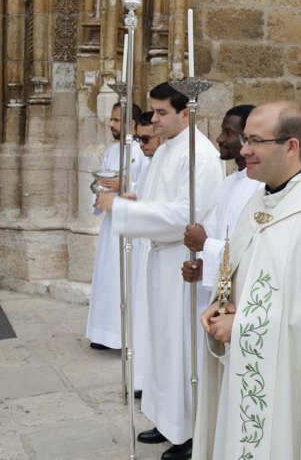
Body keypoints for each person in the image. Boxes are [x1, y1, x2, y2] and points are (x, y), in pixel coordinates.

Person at [192, 101, 301, 460]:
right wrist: (221, 304)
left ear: (290, 146)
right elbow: (241, 270)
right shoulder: (259, 201)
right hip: (246, 369)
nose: (244, 150)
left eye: (255, 140)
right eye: (244, 139)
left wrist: (243, 326)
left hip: (288, 386)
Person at [96, 82, 223, 460]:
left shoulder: (200, 156)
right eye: (153, 112)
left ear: (187, 113)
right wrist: (135, 199)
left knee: (180, 345)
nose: (153, 119)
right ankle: (168, 420)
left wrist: (121, 210)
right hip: (158, 259)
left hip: (180, 261)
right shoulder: (166, 150)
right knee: (160, 342)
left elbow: (186, 215)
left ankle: (188, 430)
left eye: (162, 112)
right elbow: (156, 199)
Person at [181, 104, 261, 327]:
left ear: (247, 139)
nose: (219, 138)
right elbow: (216, 234)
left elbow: (251, 248)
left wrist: (205, 243)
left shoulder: (260, 186)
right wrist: (201, 267)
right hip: (223, 292)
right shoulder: (229, 183)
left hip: (242, 297)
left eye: (228, 132)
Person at [86, 102, 145, 350]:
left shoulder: (142, 151)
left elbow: (143, 186)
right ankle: (104, 334)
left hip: (133, 225)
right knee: (108, 279)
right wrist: (103, 190)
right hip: (111, 224)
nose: (110, 124)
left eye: (115, 120)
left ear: (131, 124)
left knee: (126, 279)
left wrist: (123, 184)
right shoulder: (111, 151)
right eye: (111, 120)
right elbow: (102, 183)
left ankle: (123, 337)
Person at [132, 109, 163, 398]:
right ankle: (143, 379)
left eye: (145, 139)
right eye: (138, 139)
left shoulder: (189, 158)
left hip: (165, 251)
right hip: (147, 248)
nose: (142, 146)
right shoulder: (153, 162)